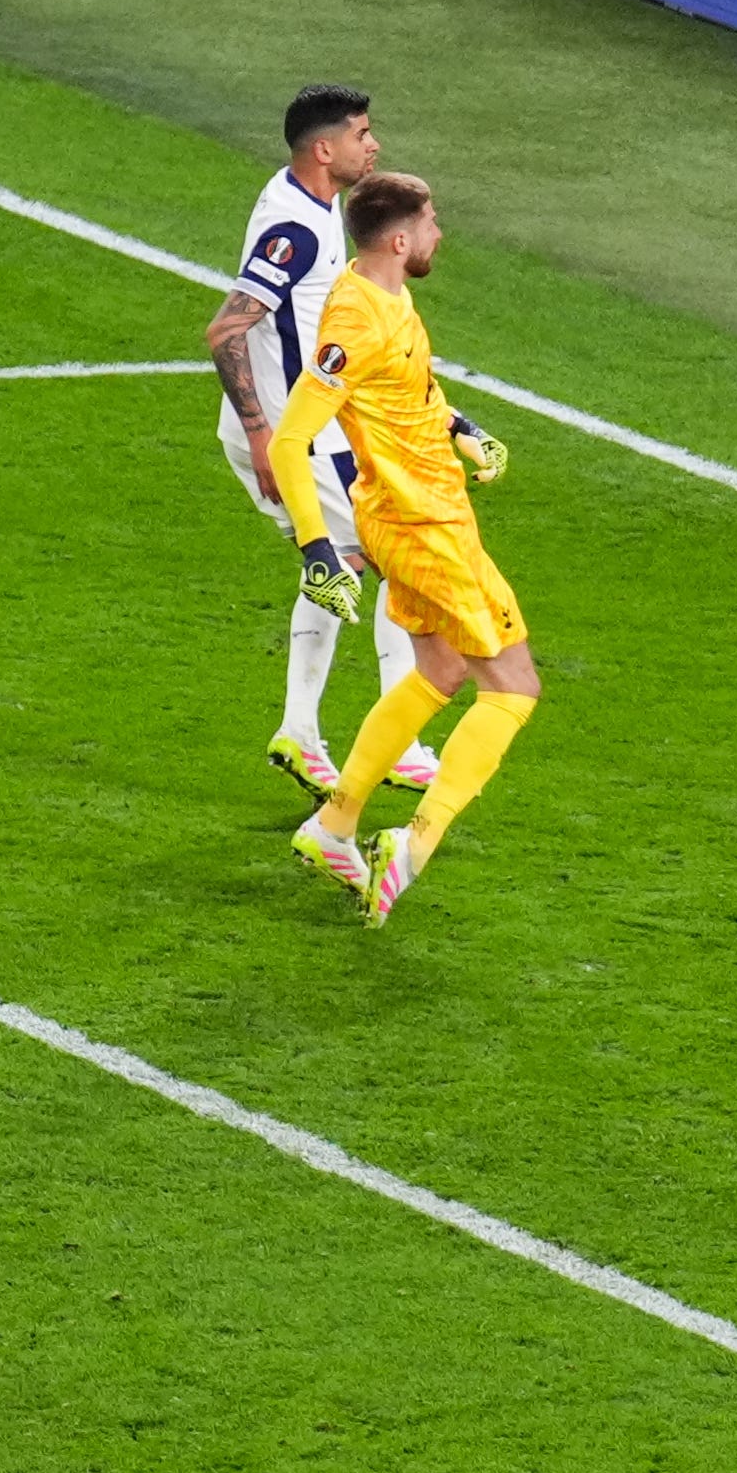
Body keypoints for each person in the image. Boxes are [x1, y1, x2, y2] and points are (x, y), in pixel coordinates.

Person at [266, 174, 535, 925]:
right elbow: (290, 441)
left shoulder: (383, 294)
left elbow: (406, 390)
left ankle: (335, 825)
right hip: (423, 525)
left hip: (418, 513)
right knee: (513, 687)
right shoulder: (356, 322)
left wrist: (460, 429)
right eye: (431, 222)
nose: (439, 234)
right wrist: (319, 552)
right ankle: (413, 845)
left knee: (440, 670)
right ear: (399, 239)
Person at [202, 86, 441, 800]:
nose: (375, 145)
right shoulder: (298, 228)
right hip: (296, 436)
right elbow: (226, 329)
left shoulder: (312, 200)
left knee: (344, 564)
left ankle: (300, 734)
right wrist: (263, 433)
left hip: (303, 429)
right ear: (324, 148)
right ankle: (394, 741)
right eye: (363, 134)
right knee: (403, 558)